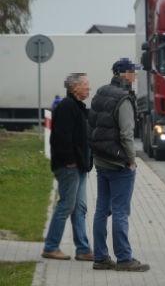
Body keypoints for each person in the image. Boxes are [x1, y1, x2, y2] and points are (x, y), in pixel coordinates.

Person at [88, 58, 150, 272]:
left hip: (101, 160)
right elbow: (126, 134)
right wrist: (132, 160)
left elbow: (93, 124)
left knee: (101, 210)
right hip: (119, 163)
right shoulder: (124, 98)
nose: (135, 76)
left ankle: (101, 258)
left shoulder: (101, 92)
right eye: (133, 72)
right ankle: (124, 259)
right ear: (125, 74)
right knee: (121, 212)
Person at [42, 73, 93, 261]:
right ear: (74, 88)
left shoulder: (78, 107)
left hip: (79, 166)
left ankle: (83, 249)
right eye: (85, 84)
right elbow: (61, 138)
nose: (89, 87)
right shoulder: (66, 106)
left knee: (80, 208)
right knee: (66, 206)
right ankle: (51, 247)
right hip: (68, 167)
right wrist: (70, 161)